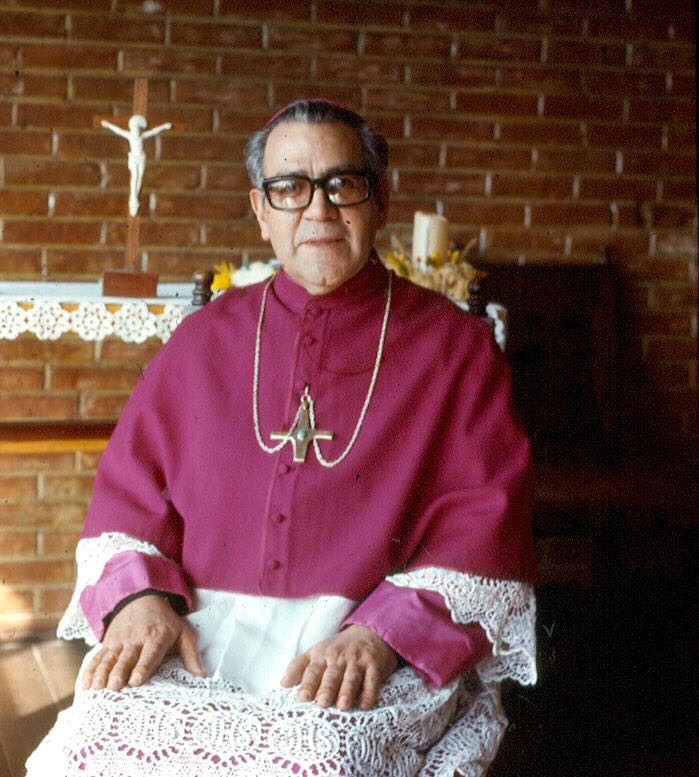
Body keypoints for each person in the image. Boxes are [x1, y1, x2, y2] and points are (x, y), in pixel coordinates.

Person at [27, 99, 537, 777]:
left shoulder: (456, 348)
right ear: (261, 211)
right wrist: (139, 598)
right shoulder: (202, 340)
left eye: (342, 184)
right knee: (94, 739)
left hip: (363, 630)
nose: (318, 209)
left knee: (320, 758)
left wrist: (382, 635)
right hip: (199, 627)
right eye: (290, 188)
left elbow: (482, 519)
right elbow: (129, 493)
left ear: (379, 200)